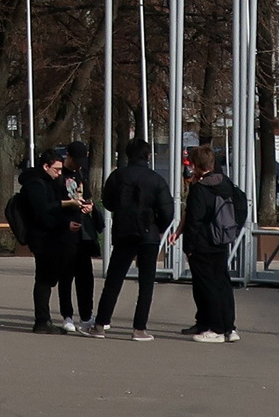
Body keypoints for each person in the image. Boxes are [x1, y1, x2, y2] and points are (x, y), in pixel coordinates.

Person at [91, 139, 174, 342]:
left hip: (124, 232)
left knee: (114, 279)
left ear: (127, 155)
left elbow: (108, 202)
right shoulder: (156, 180)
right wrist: (159, 228)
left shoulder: (117, 176)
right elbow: (167, 210)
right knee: (146, 283)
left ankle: (101, 324)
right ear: (148, 156)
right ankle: (139, 328)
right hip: (149, 234)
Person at [18, 146, 88, 333]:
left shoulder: (44, 181)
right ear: (45, 166)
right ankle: (42, 321)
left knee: (46, 279)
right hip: (42, 238)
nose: (59, 173)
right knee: (43, 280)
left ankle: (44, 320)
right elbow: (42, 213)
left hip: (47, 237)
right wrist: (64, 224)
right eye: (56, 169)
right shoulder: (35, 184)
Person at [181, 145, 242, 344]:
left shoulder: (200, 189)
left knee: (207, 285)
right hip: (222, 240)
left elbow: (194, 220)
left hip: (203, 243)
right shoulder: (226, 183)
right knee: (222, 283)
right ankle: (229, 327)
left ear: (197, 165)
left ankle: (214, 328)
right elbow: (241, 206)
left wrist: (188, 247)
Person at [57, 142, 97, 328]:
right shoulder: (59, 175)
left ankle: (86, 315)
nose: (79, 165)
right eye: (76, 160)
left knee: (85, 276)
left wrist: (90, 206)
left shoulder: (81, 173)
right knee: (66, 276)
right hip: (66, 232)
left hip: (83, 232)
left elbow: (88, 196)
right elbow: (54, 203)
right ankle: (67, 315)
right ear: (68, 156)